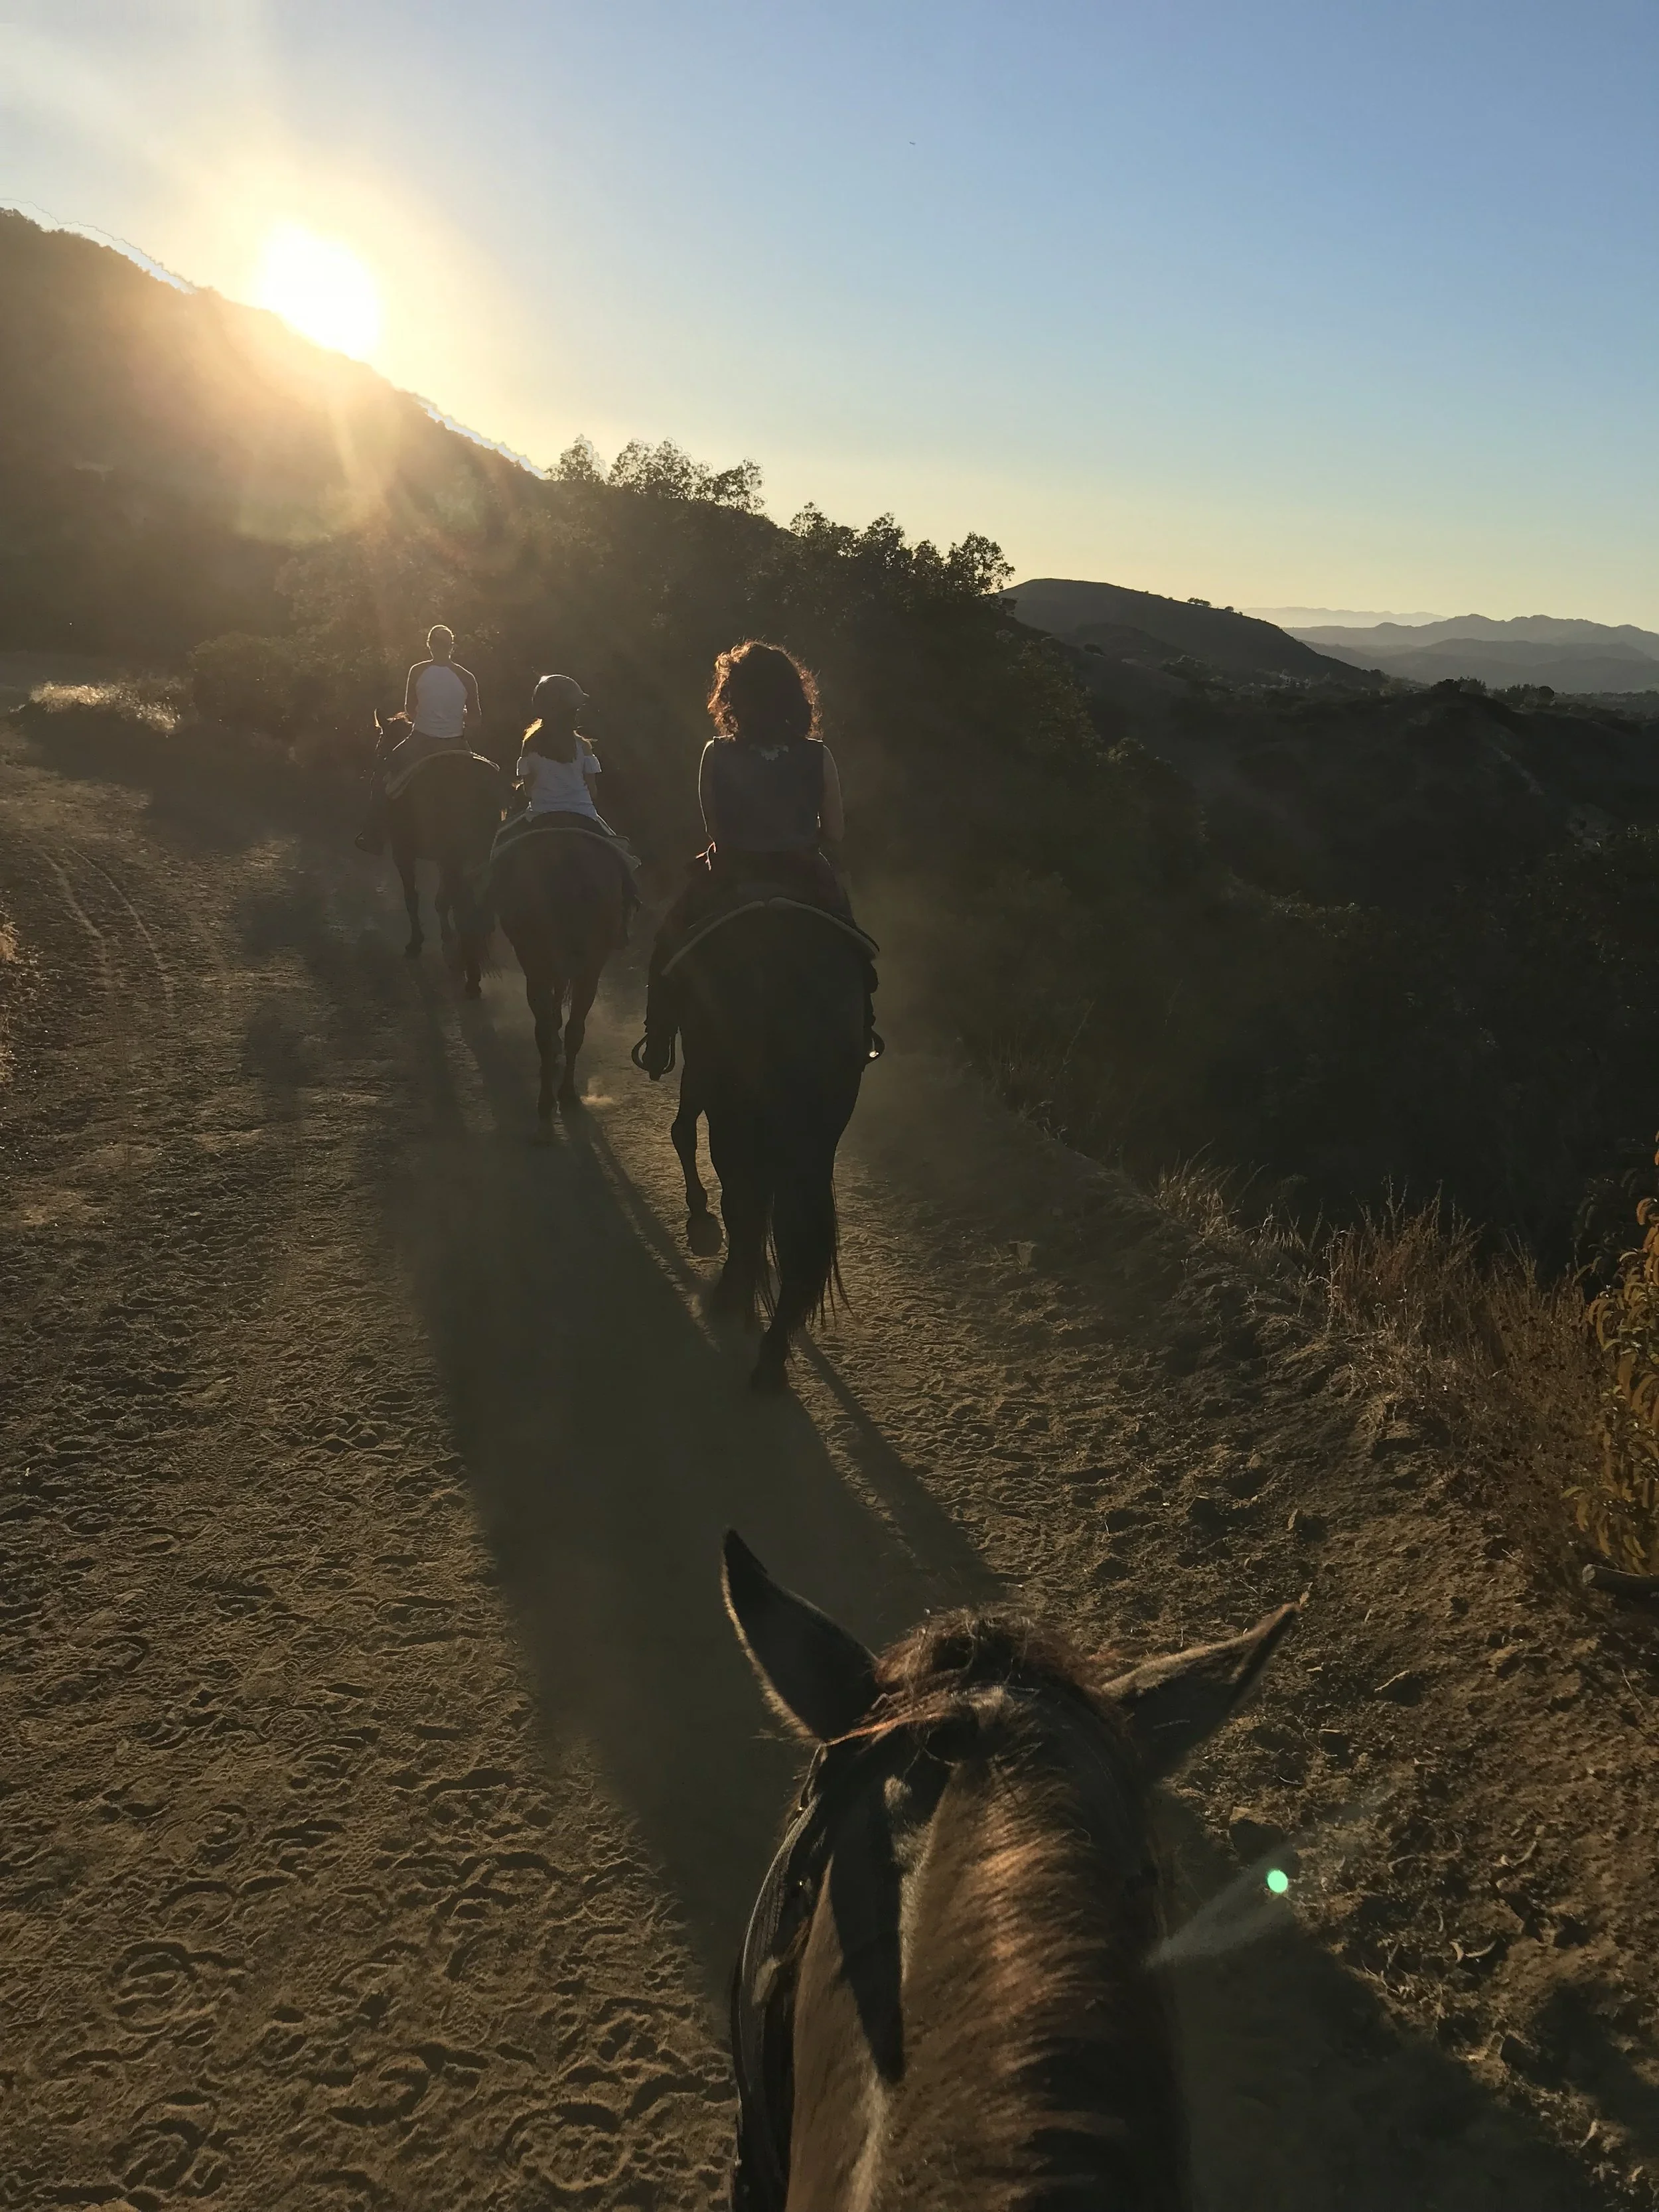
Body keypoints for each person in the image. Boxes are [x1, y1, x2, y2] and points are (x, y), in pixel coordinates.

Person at [633, 639, 869, 1080]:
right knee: (856, 949)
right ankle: (863, 1032)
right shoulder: (818, 755)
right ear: (792, 695)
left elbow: (715, 830)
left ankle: (659, 1039)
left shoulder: (715, 752)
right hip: (804, 873)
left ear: (732, 697)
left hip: (731, 873)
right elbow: (835, 832)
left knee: (668, 942)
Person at [355, 625, 484, 853]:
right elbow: (476, 719)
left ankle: (373, 835)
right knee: (483, 781)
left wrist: (428, 721)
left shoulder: (417, 671)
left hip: (421, 740)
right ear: (452, 647)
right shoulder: (467, 677)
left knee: (382, 775)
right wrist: (457, 722)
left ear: (430, 646)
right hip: (455, 743)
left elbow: (409, 708)